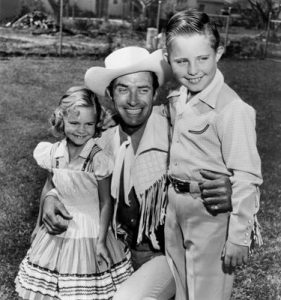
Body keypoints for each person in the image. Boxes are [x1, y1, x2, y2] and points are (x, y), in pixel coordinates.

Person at [40, 47, 233, 300]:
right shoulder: (101, 139)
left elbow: (231, 171)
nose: (133, 100)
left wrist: (229, 188)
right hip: (117, 250)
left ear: (155, 93)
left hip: (171, 254)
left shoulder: (178, 129)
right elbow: (65, 174)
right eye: (123, 89)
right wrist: (51, 198)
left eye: (143, 89)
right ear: (110, 94)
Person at [163, 9, 263, 300]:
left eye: (203, 58)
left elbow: (246, 176)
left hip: (209, 213)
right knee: (182, 289)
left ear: (218, 53)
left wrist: (238, 237)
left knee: (207, 293)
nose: (193, 70)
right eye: (181, 61)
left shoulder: (233, 110)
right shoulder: (179, 97)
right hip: (176, 208)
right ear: (168, 58)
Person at [15, 87, 133, 300]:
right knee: (54, 284)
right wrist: (38, 225)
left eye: (89, 124)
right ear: (62, 121)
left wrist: (101, 240)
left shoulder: (98, 159)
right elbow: (49, 188)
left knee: (86, 285)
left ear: (96, 124)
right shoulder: (53, 153)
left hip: (89, 230)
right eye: (74, 123)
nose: (82, 130)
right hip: (59, 229)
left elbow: (106, 202)